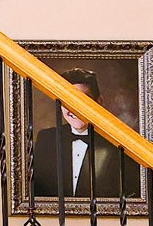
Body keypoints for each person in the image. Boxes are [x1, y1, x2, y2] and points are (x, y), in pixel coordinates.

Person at [29, 69, 144, 202]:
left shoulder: (120, 143)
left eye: (83, 100)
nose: (75, 108)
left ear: (99, 102)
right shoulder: (46, 139)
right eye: (67, 100)